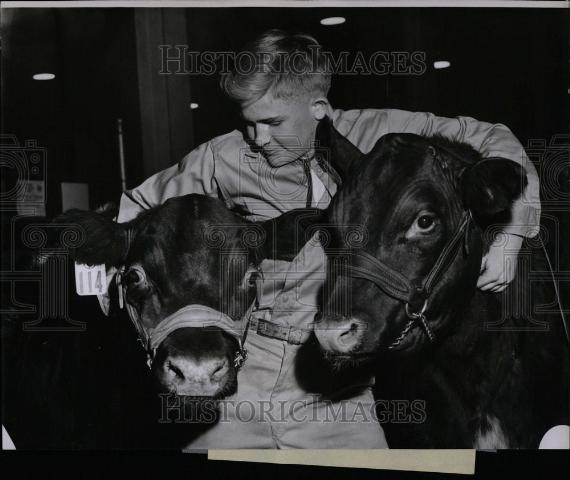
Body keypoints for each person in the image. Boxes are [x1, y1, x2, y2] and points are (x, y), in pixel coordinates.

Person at [117, 30, 541, 449]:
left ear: (319, 107)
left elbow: (496, 139)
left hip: (337, 385)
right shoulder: (224, 155)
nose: (258, 139)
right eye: (248, 123)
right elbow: (135, 209)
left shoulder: (380, 132)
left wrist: (511, 237)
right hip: (246, 372)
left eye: (272, 123)